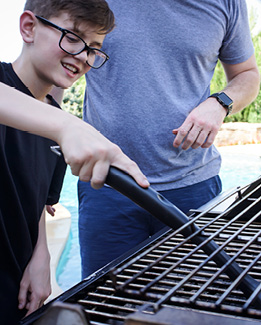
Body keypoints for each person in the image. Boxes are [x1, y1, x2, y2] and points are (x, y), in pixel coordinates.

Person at [78, 0, 261, 279]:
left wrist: (221, 103)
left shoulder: (228, 3)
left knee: (194, 303)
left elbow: (248, 75)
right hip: (106, 184)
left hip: (194, 187)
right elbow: (54, 75)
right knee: (101, 304)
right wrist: (45, 182)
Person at [0, 1, 149, 323]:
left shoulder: (58, 124)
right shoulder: (57, 123)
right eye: (72, 37)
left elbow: (38, 202)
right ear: (29, 27)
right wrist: (68, 126)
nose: (83, 56)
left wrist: (42, 257)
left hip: (17, 287)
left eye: (94, 49)